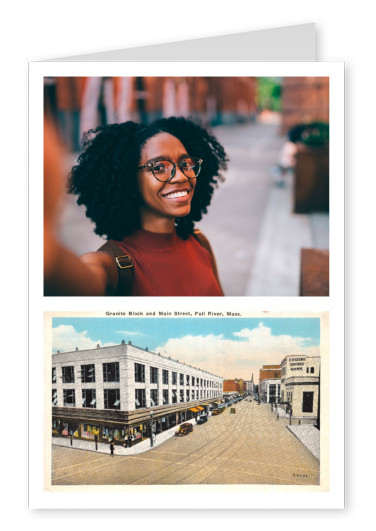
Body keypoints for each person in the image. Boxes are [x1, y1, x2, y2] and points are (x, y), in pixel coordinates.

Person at [45, 116, 228, 296]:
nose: (181, 176)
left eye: (186, 163)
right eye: (159, 167)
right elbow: (70, 280)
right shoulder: (111, 266)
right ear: (129, 181)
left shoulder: (200, 243)